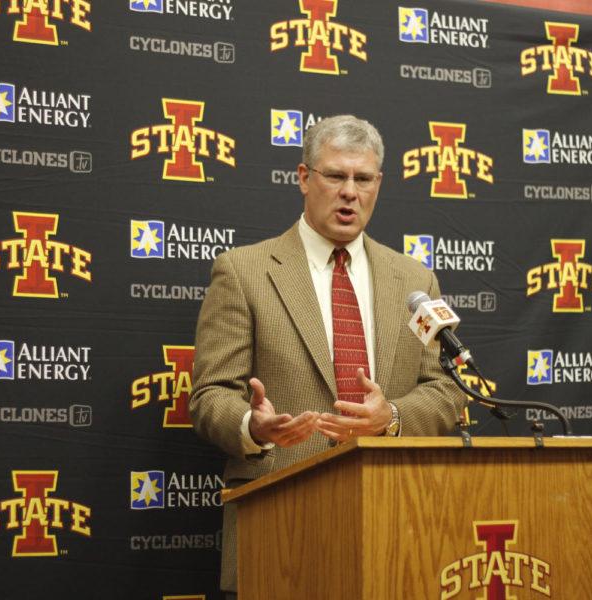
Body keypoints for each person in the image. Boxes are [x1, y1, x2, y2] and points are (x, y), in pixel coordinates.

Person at [189, 114, 466, 597]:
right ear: (304, 178)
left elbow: (445, 388)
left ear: (378, 184)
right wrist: (253, 427)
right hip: (280, 529)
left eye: (363, 179)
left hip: (396, 529)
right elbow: (211, 395)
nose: (349, 192)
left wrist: (393, 416)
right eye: (335, 176)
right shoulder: (244, 272)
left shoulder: (415, 281)